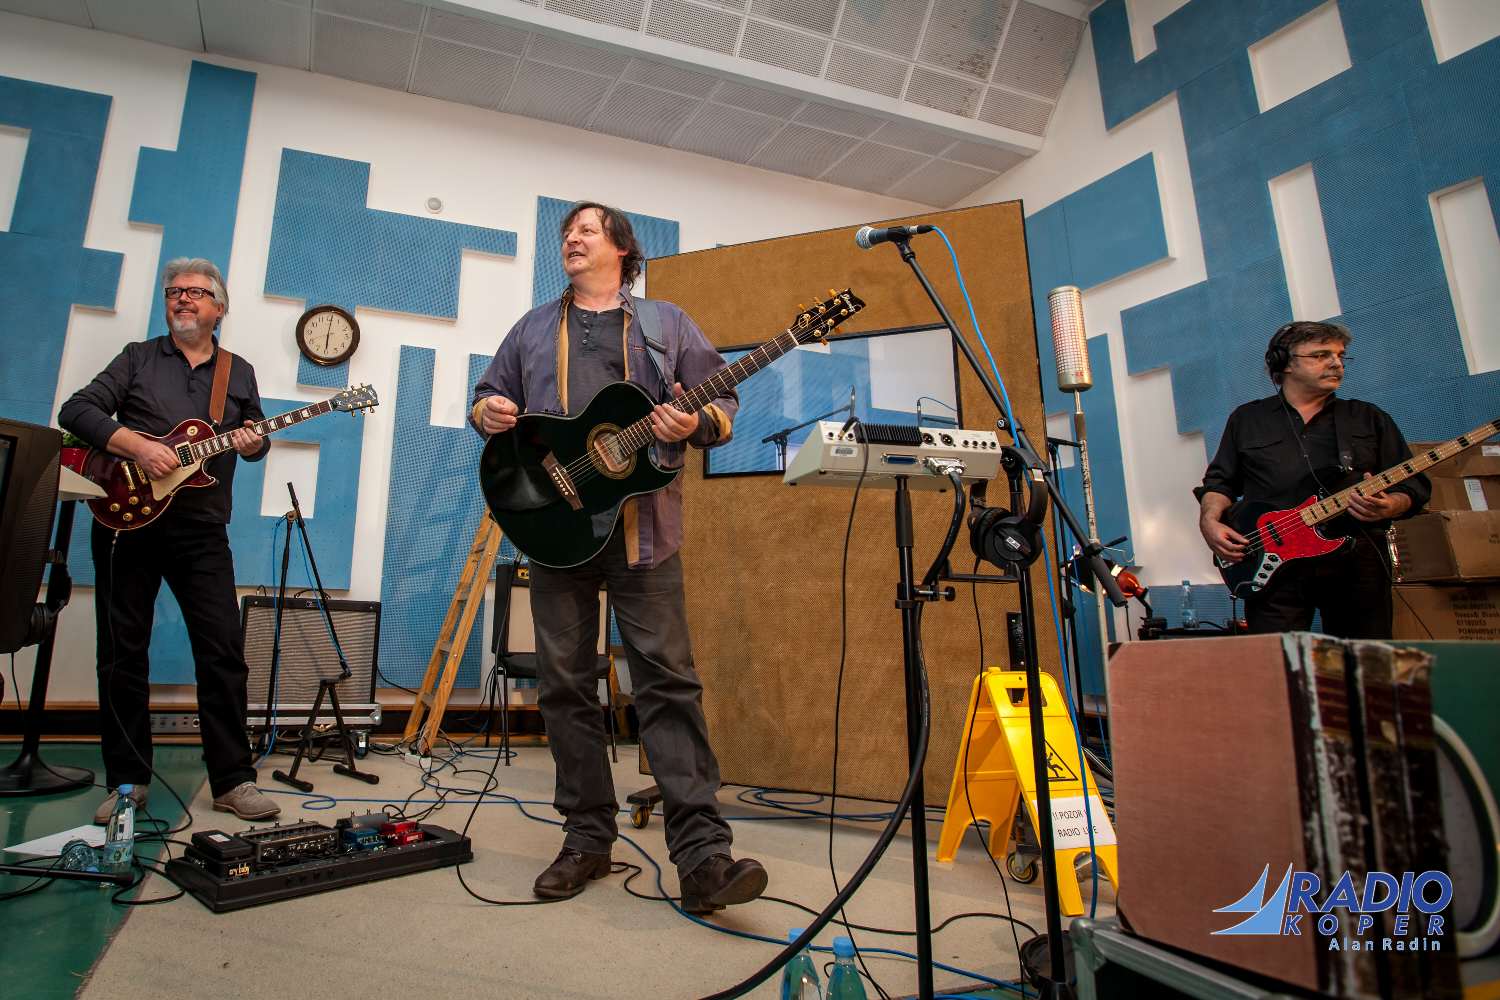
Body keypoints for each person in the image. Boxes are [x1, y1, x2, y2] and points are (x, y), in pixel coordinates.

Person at [470, 202, 766, 913]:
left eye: (587, 229)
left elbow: (722, 408)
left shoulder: (667, 325)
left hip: (645, 535)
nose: (571, 238)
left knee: (668, 686)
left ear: (622, 249)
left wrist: (695, 421)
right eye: (567, 232)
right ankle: (586, 841)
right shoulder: (532, 328)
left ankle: (703, 858)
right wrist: (486, 412)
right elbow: (487, 398)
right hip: (555, 532)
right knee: (565, 688)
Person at [59, 258, 281, 824]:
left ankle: (233, 780)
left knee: (223, 651)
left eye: (196, 292)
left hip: (202, 529)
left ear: (219, 308)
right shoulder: (137, 357)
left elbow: (254, 439)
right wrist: (137, 446)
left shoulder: (238, 372)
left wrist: (255, 444)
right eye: (174, 291)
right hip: (125, 524)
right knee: (122, 653)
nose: (182, 298)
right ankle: (127, 781)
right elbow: (76, 410)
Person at [1195, 320, 1429, 638]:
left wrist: (1391, 505)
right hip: (1272, 567)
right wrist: (1209, 522)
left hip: (1356, 564)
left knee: (1363, 660)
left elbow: (1413, 485)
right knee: (1279, 661)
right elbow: (1220, 482)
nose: (1335, 363)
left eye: (1340, 355)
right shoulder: (1247, 419)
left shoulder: (1368, 418)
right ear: (1284, 363)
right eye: (1320, 355)